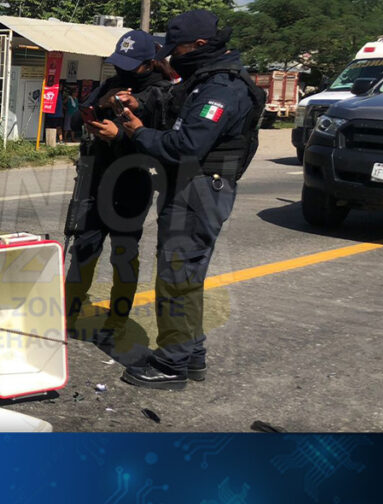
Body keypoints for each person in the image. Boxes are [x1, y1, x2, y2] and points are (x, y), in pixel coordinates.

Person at [115, 10, 265, 389]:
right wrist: (140, 107)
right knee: (184, 276)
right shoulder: (206, 79)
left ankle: (171, 364)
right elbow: (173, 101)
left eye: (176, 48)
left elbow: (187, 146)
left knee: (176, 277)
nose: (171, 56)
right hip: (192, 188)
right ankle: (191, 353)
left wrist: (138, 133)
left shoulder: (223, 88)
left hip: (199, 190)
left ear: (199, 46)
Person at [64, 29, 171, 350]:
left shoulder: (160, 93)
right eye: (119, 62)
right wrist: (94, 109)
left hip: (132, 183)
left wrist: (120, 137)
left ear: (149, 64)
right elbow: (72, 120)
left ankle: (116, 321)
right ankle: (67, 314)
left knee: (124, 256)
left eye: (131, 64)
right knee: (83, 250)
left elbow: (162, 145)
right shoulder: (110, 85)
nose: (123, 69)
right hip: (95, 179)